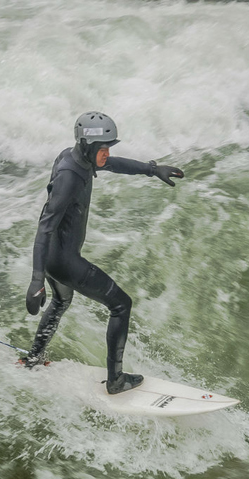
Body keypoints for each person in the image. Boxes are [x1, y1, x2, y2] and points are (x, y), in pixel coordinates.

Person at [21, 112, 184, 394]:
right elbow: (45, 226)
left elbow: (113, 164)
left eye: (109, 147)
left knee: (61, 302)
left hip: (53, 257)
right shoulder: (69, 177)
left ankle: (34, 358)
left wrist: (151, 169)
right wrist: (36, 280)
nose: (107, 154)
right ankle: (116, 380)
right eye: (103, 148)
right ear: (87, 146)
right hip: (62, 260)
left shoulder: (74, 157)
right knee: (121, 305)